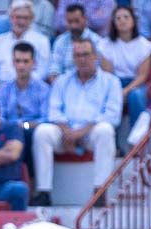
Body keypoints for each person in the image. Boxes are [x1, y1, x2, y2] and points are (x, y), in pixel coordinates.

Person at [31, 39, 121, 207]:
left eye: (86, 54)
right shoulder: (62, 81)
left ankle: (100, 191)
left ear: (95, 56)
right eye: (78, 55)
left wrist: (80, 132)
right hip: (65, 133)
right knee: (42, 132)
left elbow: (112, 115)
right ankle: (44, 192)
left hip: (91, 133)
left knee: (106, 130)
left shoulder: (111, 81)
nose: (82, 59)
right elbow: (54, 111)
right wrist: (67, 131)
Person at [99, 5, 151, 138]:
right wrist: (117, 90)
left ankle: (137, 140)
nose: (122, 21)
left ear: (133, 21)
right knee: (108, 97)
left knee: (135, 96)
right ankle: (112, 142)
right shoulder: (105, 45)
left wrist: (126, 90)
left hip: (135, 83)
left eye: (126, 17)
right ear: (113, 22)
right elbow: (107, 75)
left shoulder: (144, 45)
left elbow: (142, 75)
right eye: (118, 18)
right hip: (113, 83)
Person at [0, 43, 50, 177]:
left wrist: (24, 126)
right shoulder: (4, 89)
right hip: (10, 130)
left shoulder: (43, 89)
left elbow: (46, 118)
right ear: (13, 63)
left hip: (31, 131)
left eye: (26, 61)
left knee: (27, 134)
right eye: (18, 61)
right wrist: (14, 126)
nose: (21, 65)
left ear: (34, 63)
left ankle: (25, 180)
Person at [0, 0, 51, 88]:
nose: (21, 21)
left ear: (31, 19)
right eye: (17, 17)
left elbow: (42, 71)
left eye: (25, 18)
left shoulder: (42, 41)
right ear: (10, 18)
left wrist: (20, 84)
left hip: (30, 88)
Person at [51, 3, 106, 80]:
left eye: (77, 21)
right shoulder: (60, 41)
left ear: (85, 19)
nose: (73, 25)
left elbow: (100, 71)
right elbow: (54, 70)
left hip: (91, 84)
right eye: (70, 22)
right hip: (64, 85)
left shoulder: (96, 40)